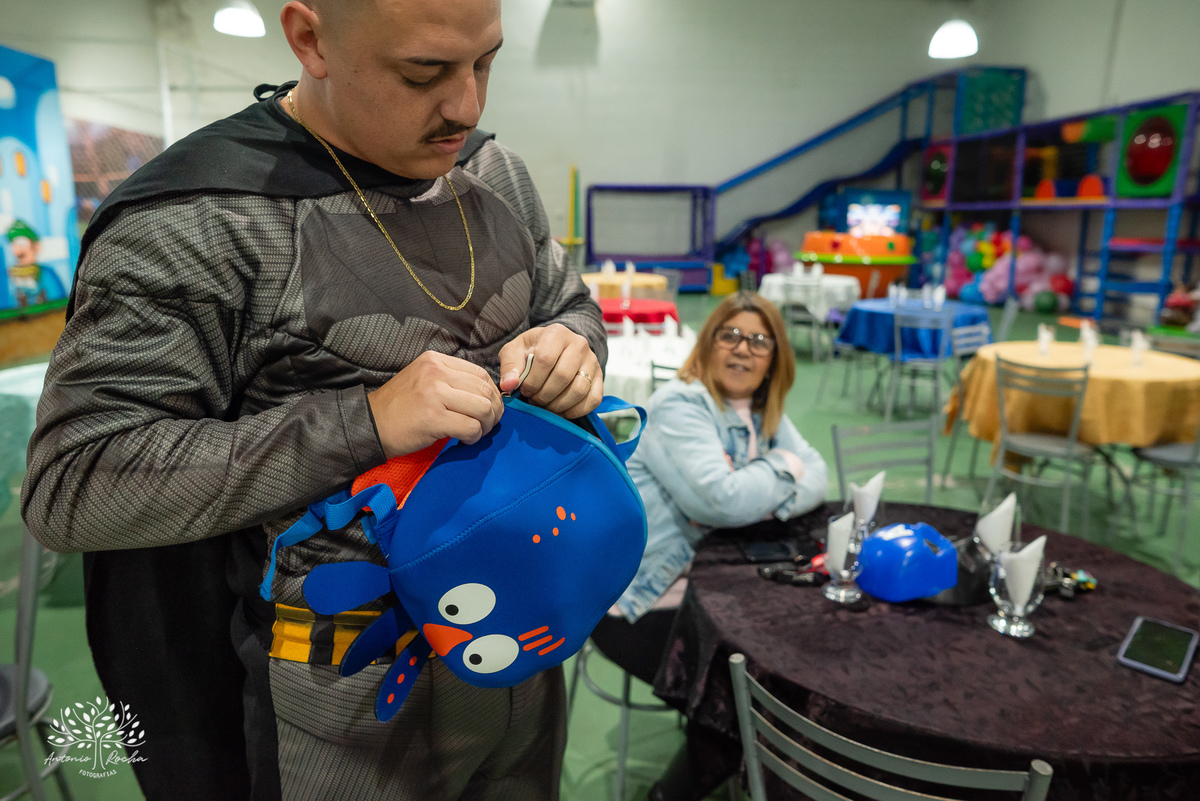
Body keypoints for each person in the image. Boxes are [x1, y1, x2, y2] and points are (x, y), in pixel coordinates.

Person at [21, 1, 605, 799]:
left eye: (485, 62)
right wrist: (361, 423)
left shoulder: (493, 176)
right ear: (309, 38)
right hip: (340, 700)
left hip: (521, 646)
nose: (467, 105)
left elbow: (568, 303)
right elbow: (75, 482)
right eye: (425, 72)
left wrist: (573, 350)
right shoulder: (200, 217)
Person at [606, 290, 828, 801]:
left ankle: (748, 769)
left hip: (709, 594)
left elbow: (818, 473)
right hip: (641, 603)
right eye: (729, 335)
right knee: (745, 697)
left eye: (758, 340)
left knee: (791, 658)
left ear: (775, 358)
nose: (742, 349)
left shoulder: (761, 409)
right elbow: (721, 502)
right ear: (707, 346)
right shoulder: (680, 404)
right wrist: (781, 470)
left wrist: (766, 482)